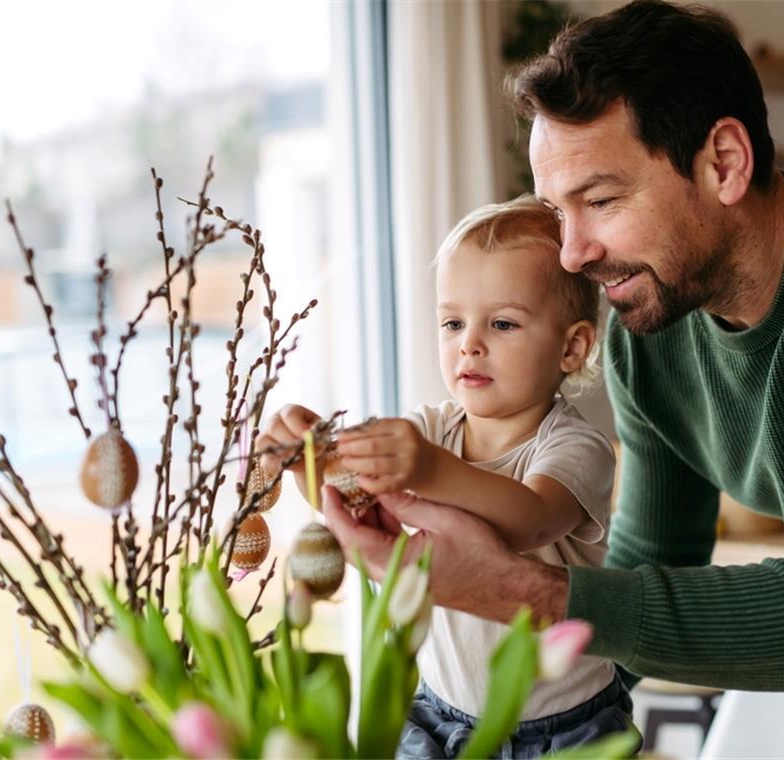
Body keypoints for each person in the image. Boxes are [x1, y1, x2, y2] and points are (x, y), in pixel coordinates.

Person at [319, 1, 784, 757]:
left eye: (601, 200)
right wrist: (512, 721)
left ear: (724, 162)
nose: (573, 253)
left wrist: (520, 592)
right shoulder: (653, 320)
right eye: (559, 212)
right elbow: (652, 559)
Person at [258, 195, 637, 758]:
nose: (469, 343)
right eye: (453, 322)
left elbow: (529, 521)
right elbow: (352, 500)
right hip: (439, 713)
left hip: (564, 728)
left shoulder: (576, 446)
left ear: (572, 346)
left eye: (502, 323)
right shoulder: (431, 430)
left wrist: (430, 469)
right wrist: (308, 458)